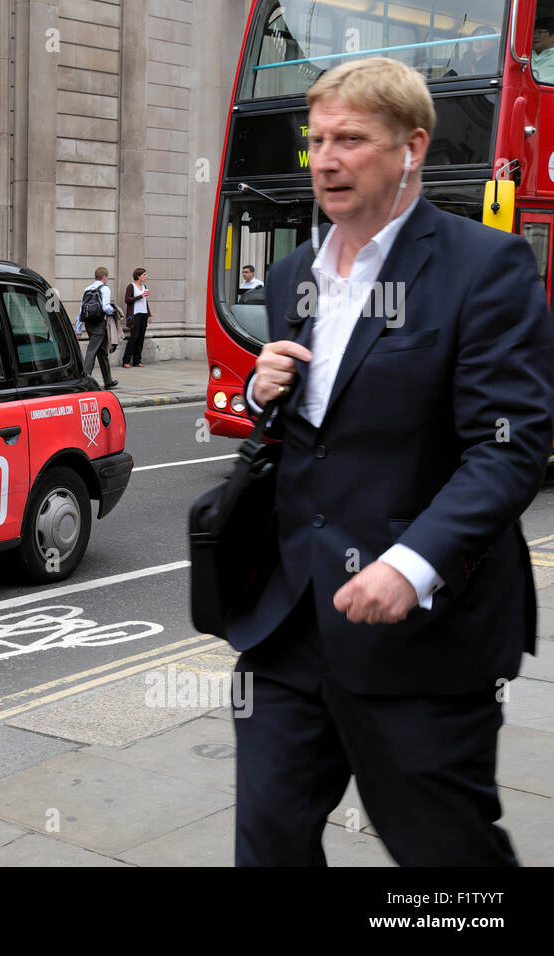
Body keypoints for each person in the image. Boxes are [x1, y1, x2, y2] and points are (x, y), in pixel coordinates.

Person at [231, 57, 554, 866]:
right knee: (268, 841)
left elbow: (507, 449)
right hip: (292, 621)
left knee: (444, 855)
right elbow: (314, 434)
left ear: (412, 147)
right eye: (317, 140)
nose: (327, 160)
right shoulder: (291, 275)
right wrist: (263, 391)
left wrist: (412, 567)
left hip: (419, 635)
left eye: (352, 140)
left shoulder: (485, 268)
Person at [77, 267, 118, 389]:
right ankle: (84, 378)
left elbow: (81, 310)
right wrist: (114, 311)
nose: (107, 279)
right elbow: (105, 307)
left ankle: (108, 380)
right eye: (107, 277)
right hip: (100, 323)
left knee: (102, 351)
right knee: (92, 350)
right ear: (104, 277)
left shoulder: (87, 289)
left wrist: (78, 328)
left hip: (89, 323)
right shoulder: (105, 289)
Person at [121, 268, 150, 367]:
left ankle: (137, 360)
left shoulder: (144, 286)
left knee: (141, 338)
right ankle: (126, 360)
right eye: (144, 275)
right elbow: (127, 299)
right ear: (138, 276)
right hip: (135, 314)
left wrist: (149, 314)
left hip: (144, 313)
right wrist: (140, 296)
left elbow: (145, 301)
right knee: (134, 337)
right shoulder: (131, 286)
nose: (146, 276)